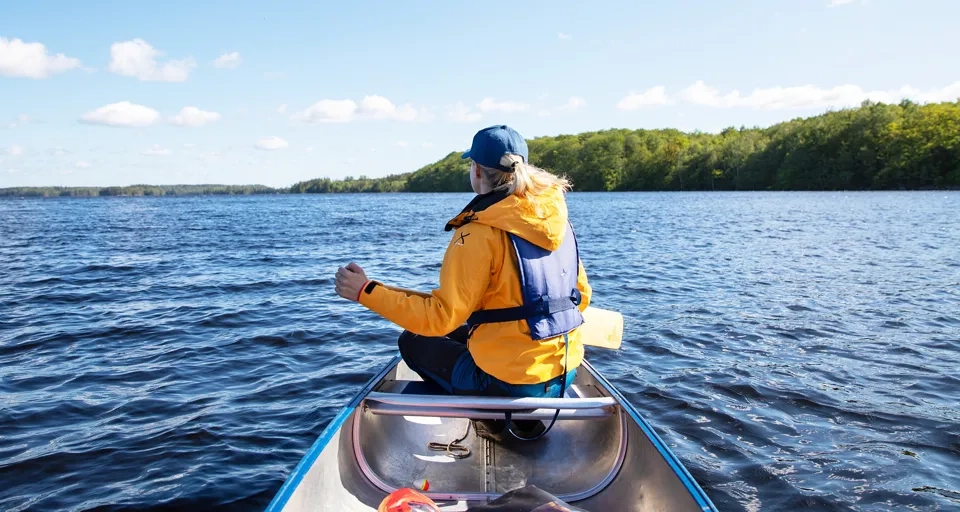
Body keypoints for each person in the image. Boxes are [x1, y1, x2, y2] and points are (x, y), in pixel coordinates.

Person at [334, 124, 592, 439]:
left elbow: (438, 318)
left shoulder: (479, 232)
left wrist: (364, 292)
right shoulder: (557, 222)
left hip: (509, 385)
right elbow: (583, 297)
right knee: (465, 330)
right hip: (566, 371)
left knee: (413, 341)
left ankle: (493, 421)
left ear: (478, 172)